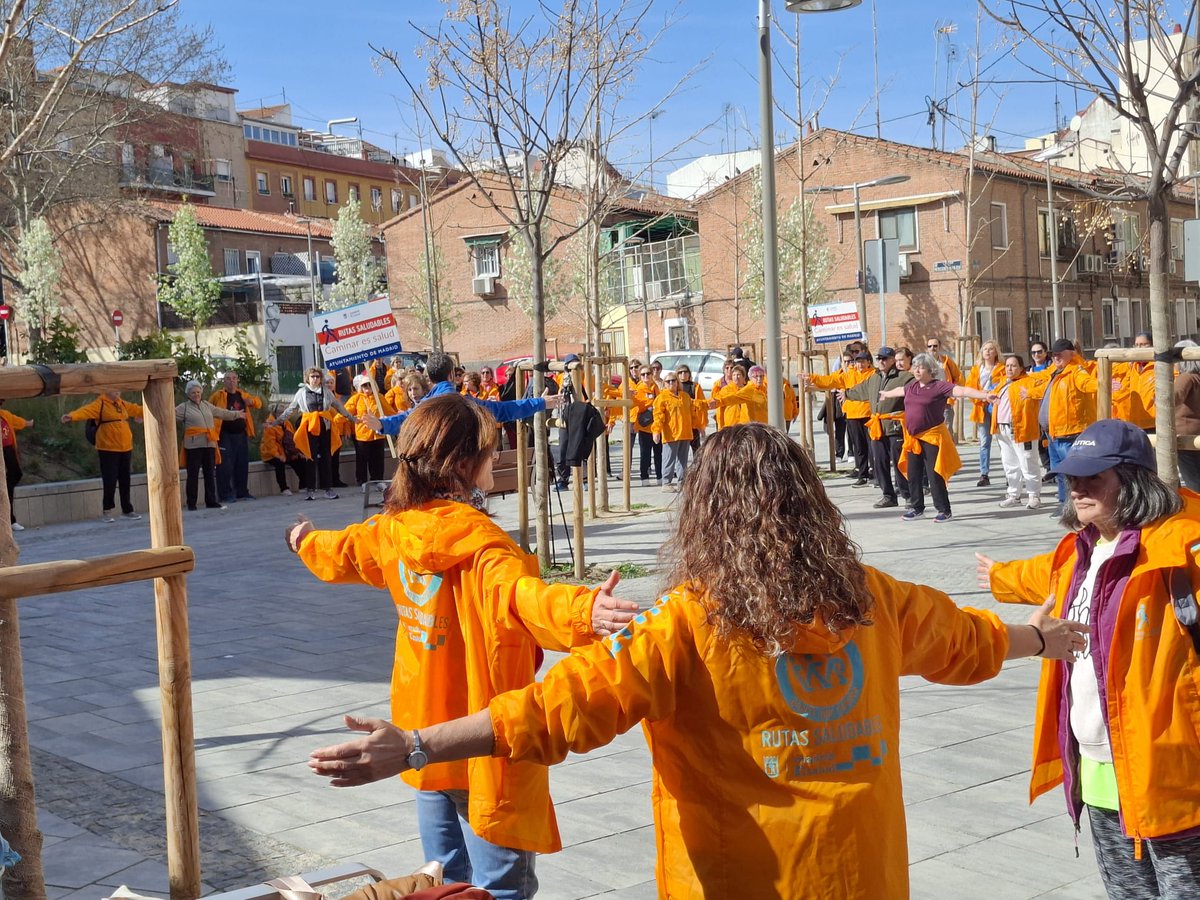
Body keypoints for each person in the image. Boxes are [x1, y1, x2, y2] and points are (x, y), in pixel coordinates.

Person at [310, 423, 1086, 900]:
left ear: (702, 513)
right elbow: (969, 641)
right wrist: (1045, 639)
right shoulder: (871, 600)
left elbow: (555, 711)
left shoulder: (687, 624)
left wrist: (414, 745)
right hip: (862, 876)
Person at [287, 395, 639, 899]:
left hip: (420, 734)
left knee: (444, 884)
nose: (495, 459)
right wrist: (585, 611)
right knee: (500, 888)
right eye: (490, 451)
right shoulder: (483, 546)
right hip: (480, 737)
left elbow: (341, 551)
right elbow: (526, 600)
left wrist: (302, 540)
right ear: (462, 465)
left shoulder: (394, 529)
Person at [976, 419, 1200, 900]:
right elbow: (1039, 576)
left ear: (1133, 478)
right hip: (1098, 768)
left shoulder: (1181, 545)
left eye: (1092, 477)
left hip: (1171, 771)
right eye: (1071, 477)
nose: (1077, 487)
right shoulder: (1076, 552)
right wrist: (998, 576)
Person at [879, 353, 996, 523]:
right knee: (913, 474)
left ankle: (944, 510)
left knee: (935, 475)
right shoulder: (912, 386)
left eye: (921, 367)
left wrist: (984, 395)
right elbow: (899, 391)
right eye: (915, 367)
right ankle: (917, 508)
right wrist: (887, 394)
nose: (917, 370)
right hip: (913, 438)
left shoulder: (939, 386)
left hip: (932, 436)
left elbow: (962, 390)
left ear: (930, 369)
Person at [368, 351, 557, 437]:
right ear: (452, 375)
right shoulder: (468, 403)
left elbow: (403, 420)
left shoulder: (424, 407)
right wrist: (541, 403)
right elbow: (506, 409)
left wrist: (381, 424)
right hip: (464, 480)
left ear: (429, 379)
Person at [1023, 337, 1098, 515]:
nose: (1055, 358)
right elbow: (1046, 389)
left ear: (1071, 354)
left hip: (1070, 432)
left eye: (1059, 355)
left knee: (1072, 472)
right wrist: (1029, 391)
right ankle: (1064, 504)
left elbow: (1087, 384)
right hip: (1053, 433)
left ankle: (1077, 507)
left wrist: (1104, 384)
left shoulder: (1076, 371)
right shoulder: (1056, 371)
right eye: (1054, 355)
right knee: (1060, 471)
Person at [274, 368, 357, 501]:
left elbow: (339, 407)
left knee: (326, 457)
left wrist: (352, 419)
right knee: (310, 457)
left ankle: (328, 489)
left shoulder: (326, 392)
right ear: (307, 378)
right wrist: (277, 422)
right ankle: (310, 489)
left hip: (325, 426)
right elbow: (291, 409)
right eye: (312, 376)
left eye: (317, 376)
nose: (315, 379)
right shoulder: (301, 393)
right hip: (309, 427)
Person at [845, 346, 911, 510]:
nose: (880, 361)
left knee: (899, 462)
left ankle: (908, 495)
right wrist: (845, 394)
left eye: (884, 359)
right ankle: (888, 495)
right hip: (877, 427)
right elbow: (859, 391)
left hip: (895, 426)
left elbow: (916, 391)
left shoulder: (904, 377)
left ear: (892, 360)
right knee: (879, 462)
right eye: (878, 358)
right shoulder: (874, 378)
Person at [61, 390, 144, 522]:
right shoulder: (100, 403)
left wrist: (148, 412)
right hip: (108, 447)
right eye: (114, 389)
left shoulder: (121, 403)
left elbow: (136, 409)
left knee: (125, 479)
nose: (118, 392)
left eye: (119, 389)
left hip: (125, 447)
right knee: (110, 479)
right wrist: (71, 416)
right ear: (107, 390)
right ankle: (107, 510)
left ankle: (127, 509)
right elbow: (85, 411)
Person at [802, 351, 874, 484]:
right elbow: (830, 381)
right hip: (853, 415)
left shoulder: (874, 375)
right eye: (858, 362)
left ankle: (875, 473)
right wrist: (812, 377)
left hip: (870, 415)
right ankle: (862, 474)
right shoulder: (847, 374)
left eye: (863, 361)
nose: (860, 364)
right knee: (859, 447)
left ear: (869, 362)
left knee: (873, 446)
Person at [176, 379, 244, 512]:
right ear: (188, 394)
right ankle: (191, 503)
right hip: (194, 446)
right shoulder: (183, 407)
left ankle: (211, 501)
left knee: (209, 473)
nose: (196, 394)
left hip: (209, 443)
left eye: (198, 392)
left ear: (201, 392)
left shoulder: (206, 405)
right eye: (193, 392)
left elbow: (222, 412)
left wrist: (237, 414)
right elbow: (168, 415)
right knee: (193, 475)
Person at [992, 354, 1043, 509]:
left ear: (1021, 368)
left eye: (1013, 365)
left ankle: (1034, 495)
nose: (1009, 368)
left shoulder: (1029, 382)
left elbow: (1043, 389)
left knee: (1028, 462)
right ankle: (1014, 494)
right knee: (1010, 464)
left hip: (1022, 429)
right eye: (1007, 365)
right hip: (1002, 429)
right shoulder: (1002, 384)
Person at [209, 371, 263, 503]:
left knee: (242, 463)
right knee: (225, 465)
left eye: (233, 378)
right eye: (228, 379)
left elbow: (259, 403)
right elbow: (208, 408)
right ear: (224, 381)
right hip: (224, 434)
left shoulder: (242, 395)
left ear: (237, 380)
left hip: (241, 434)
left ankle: (242, 492)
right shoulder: (218, 395)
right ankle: (225, 494)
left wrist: (251, 401)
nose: (231, 381)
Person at [964, 341, 1003, 487]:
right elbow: (969, 388)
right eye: (985, 349)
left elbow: (1005, 385)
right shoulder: (976, 369)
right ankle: (984, 473)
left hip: (996, 406)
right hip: (981, 406)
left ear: (996, 352)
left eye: (991, 349)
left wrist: (993, 392)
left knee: (1002, 440)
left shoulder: (1001, 368)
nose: (987, 351)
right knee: (984, 441)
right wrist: (980, 395)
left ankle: (1009, 471)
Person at [344, 374, 395, 485]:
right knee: (362, 459)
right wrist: (345, 421)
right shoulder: (356, 398)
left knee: (378, 459)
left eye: (369, 385)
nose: (367, 387)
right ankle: (362, 481)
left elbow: (390, 412)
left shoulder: (379, 397)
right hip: (363, 434)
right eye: (364, 385)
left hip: (378, 432)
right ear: (360, 387)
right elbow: (345, 413)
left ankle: (378, 480)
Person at [652, 369, 694, 492]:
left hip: (685, 432)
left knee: (683, 460)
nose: (671, 383)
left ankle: (682, 482)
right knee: (668, 459)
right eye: (668, 381)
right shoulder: (661, 398)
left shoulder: (685, 396)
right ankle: (666, 482)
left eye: (673, 380)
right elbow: (658, 416)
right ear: (664, 383)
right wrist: (656, 431)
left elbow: (693, 411)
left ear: (677, 382)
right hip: (671, 433)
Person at [1111, 331, 1155, 431]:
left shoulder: (1158, 367)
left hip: (1153, 422)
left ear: (1152, 346)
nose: (1139, 348)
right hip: (1133, 423)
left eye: (1144, 345)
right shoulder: (1130, 366)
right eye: (1137, 345)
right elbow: (1110, 369)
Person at [0, 400, 32, 531]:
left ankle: (10, 520)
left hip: (7, 449)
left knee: (15, 474)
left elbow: (16, 420)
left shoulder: (4, 414)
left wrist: (28, 423)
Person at [1174, 339, 1200, 491]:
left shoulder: (1186, 377)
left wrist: (1158, 398)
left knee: (1192, 478)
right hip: (1196, 433)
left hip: (1184, 434)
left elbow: (1174, 397)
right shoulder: (1197, 378)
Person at [260, 407, 305, 495]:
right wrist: (278, 455)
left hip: (286, 451)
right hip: (271, 454)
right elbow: (270, 445)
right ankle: (283, 488)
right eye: (280, 412)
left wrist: (298, 452)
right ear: (275, 413)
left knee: (300, 460)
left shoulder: (287, 423)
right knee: (279, 464)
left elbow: (293, 439)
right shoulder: (270, 425)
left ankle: (303, 485)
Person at [708, 362, 766, 427]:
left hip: (750, 426)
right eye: (734, 375)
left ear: (744, 377)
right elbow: (726, 402)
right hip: (731, 425)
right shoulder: (726, 389)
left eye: (738, 375)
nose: (736, 377)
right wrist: (720, 426)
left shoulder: (752, 390)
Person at [632, 363, 662, 486]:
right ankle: (644, 477)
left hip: (656, 425)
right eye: (643, 374)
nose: (646, 376)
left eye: (648, 374)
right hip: (644, 425)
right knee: (645, 453)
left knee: (658, 452)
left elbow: (660, 402)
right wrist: (650, 404)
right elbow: (636, 405)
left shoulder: (655, 387)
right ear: (640, 376)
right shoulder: (638, 389)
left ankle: (660, 476)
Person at [925, 337, 963, 431]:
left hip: (945, 399)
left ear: (939, 347)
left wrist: (955, 392)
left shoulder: (946, 361)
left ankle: (948, 445)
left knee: (947, 426)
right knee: (930, 428)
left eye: (935, 346)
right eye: (930, 346)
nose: (932, 348)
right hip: (928, 400)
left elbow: (958, 377)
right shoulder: (923, 362)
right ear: (927, 348)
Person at [326, 373, 351, 488]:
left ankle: (336, 479)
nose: (330, 385)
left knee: (335, 457)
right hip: (328, 431)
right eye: (327, 383)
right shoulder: (323, 398)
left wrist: (346, 430)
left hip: (338, 432)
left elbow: (344, 415)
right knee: (328, 457)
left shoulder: (338, 398)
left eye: (331, 383)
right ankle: (328, 480)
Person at [675, 364, 706, 450]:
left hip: (693, 423)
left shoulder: (695, 386)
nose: (683, 374)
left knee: (696, 449)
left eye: (685, 372)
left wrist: (702, 426)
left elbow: (703, 404)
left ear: (689, 374)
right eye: (680, 372)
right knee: (680, 450)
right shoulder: (675, 387)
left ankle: (697, 464)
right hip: (679, 424)